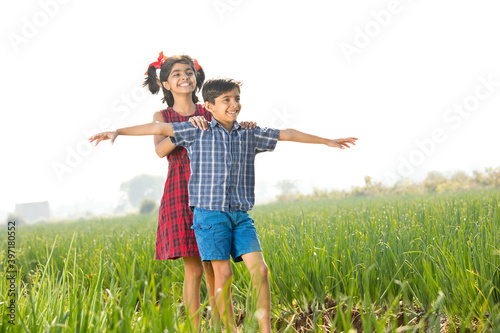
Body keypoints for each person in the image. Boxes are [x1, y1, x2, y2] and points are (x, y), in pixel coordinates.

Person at [89, 77, 358, 332]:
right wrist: (118, 131)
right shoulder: (198, 130)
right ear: (208, 107)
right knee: (224, 274)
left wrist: (327, 141)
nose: (234, 104)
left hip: (240, 216)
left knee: (261, 271)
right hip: (209, 215)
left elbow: (287, 133)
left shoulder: (249, 134)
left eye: (237, 99)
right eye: (226, 100)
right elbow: (159, 128)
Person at [141, 53, 256, 330]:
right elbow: (160, 150)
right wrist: (185, 129)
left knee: (215, 268)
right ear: (166, 84)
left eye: (189, 72)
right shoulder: (162, 116)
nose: (184, 77)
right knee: (193, 268)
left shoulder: (209, 109)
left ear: (196, 77)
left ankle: (223, 325)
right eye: (177, 74)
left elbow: (233, 132)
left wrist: (246, 125)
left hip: (214, 193)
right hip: (180, 192)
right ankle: (195, 327)